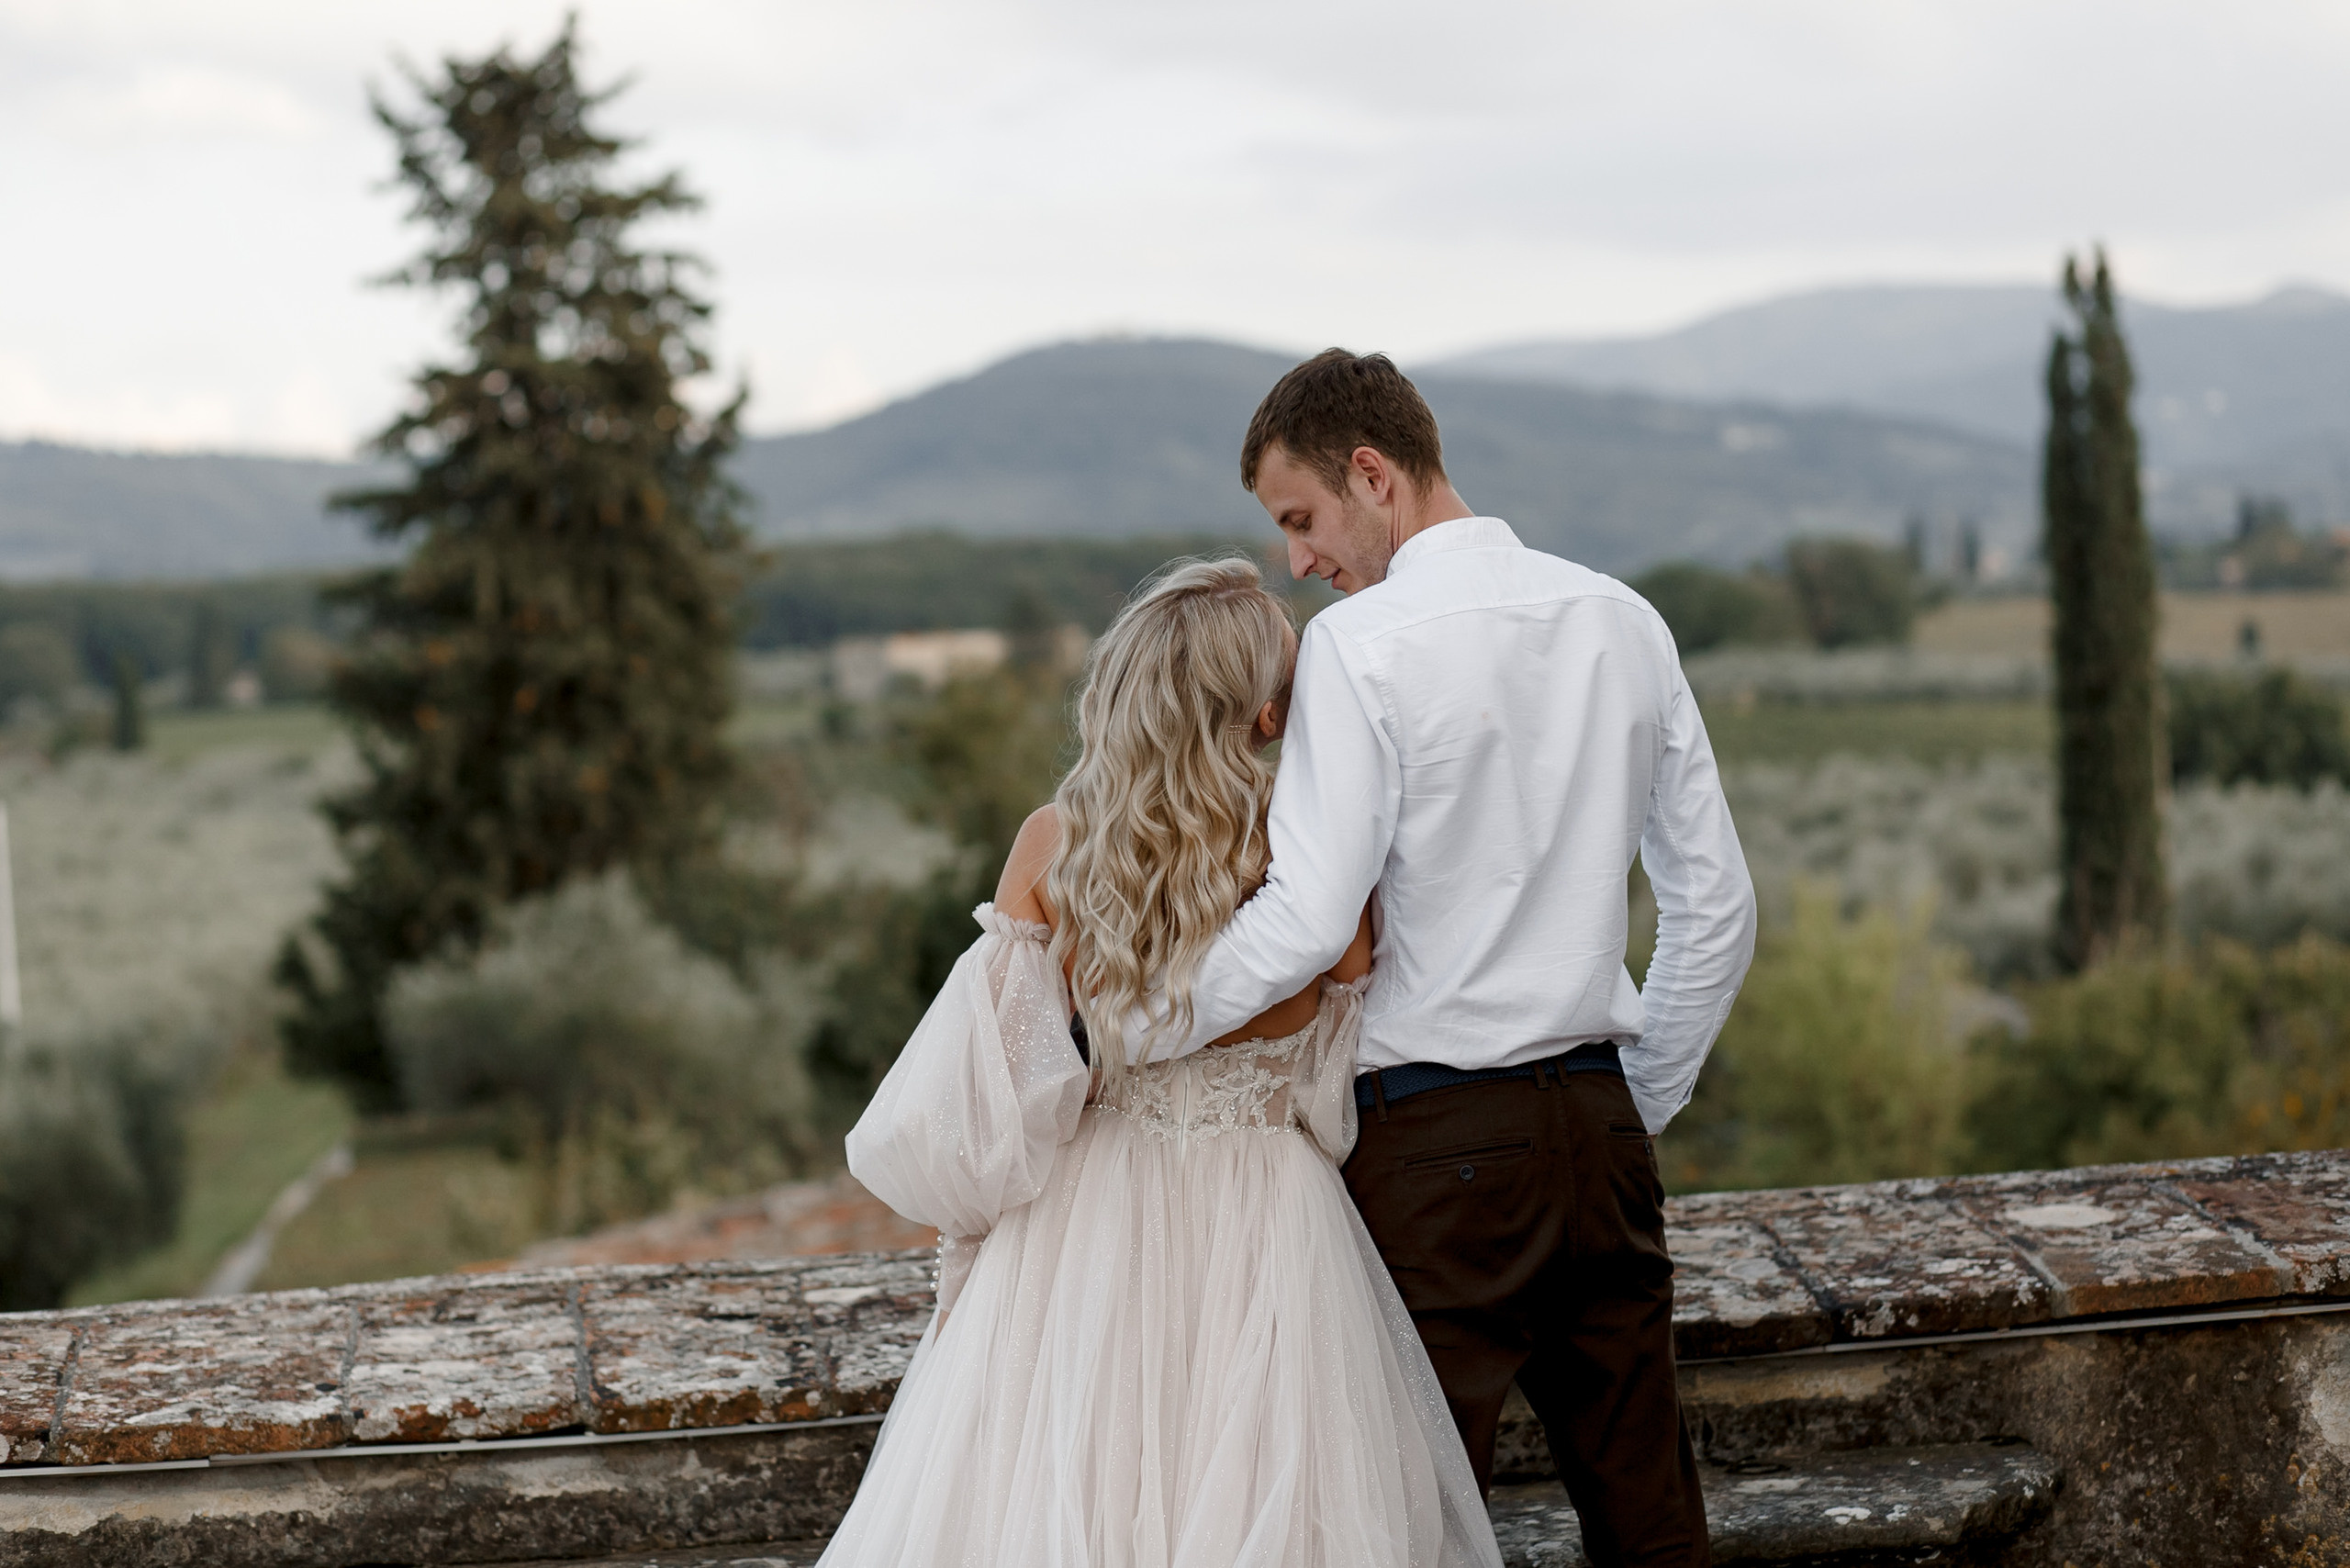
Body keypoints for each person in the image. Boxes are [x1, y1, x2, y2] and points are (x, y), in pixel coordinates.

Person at [1135, 350, 1758, 1566]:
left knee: (1405, 1527)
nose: (1300, 559)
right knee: (1650, 1525)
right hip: (1599, 1137)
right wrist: (1633, 1099)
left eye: (1303, 519)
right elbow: (1718, 907)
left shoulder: (1360, 648)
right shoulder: (1621, 620)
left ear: (1373, 473)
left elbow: (1313, 921)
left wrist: (1140, 1025)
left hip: (1433, 1150)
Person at [822, 559, 1504, 1568]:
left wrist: (968, 1256)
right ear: (1268, 714)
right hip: (1272, 1220)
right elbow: (1344, 1057)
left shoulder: (1054, 845)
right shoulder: (1311, 849)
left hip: (1082, 1228)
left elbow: (1005, 1089)